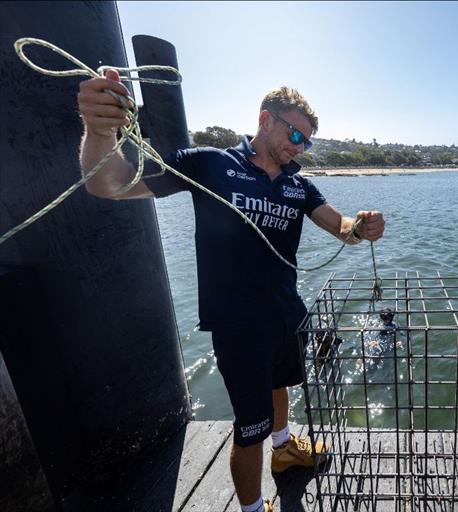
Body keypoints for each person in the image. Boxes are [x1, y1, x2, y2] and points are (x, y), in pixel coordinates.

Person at [77, 71, 385, 512]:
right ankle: (253, 507)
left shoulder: (298, 185)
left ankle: (284, 450)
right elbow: (110, 184)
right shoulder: (208, 164)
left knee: (281, 385)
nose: (300, 146)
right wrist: (100, 130)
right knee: (248, 428)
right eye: (295, 133)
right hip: (239, 327)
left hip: (286, 313)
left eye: (307, 141)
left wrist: (364, 227)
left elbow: (341, 228)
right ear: (265, 120)